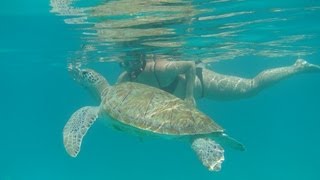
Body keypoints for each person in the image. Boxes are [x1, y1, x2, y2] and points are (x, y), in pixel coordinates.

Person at [117, 54, 320, 105]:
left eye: (129, 61)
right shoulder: (126, 78)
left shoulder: (159, 69)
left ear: (140, 57)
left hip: (204, 85)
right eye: (122, 63)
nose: (126, 66)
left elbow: (188, 65)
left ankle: (296, 67)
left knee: (251, 87)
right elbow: (111, 98)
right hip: (195, 91)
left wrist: (189, 97)